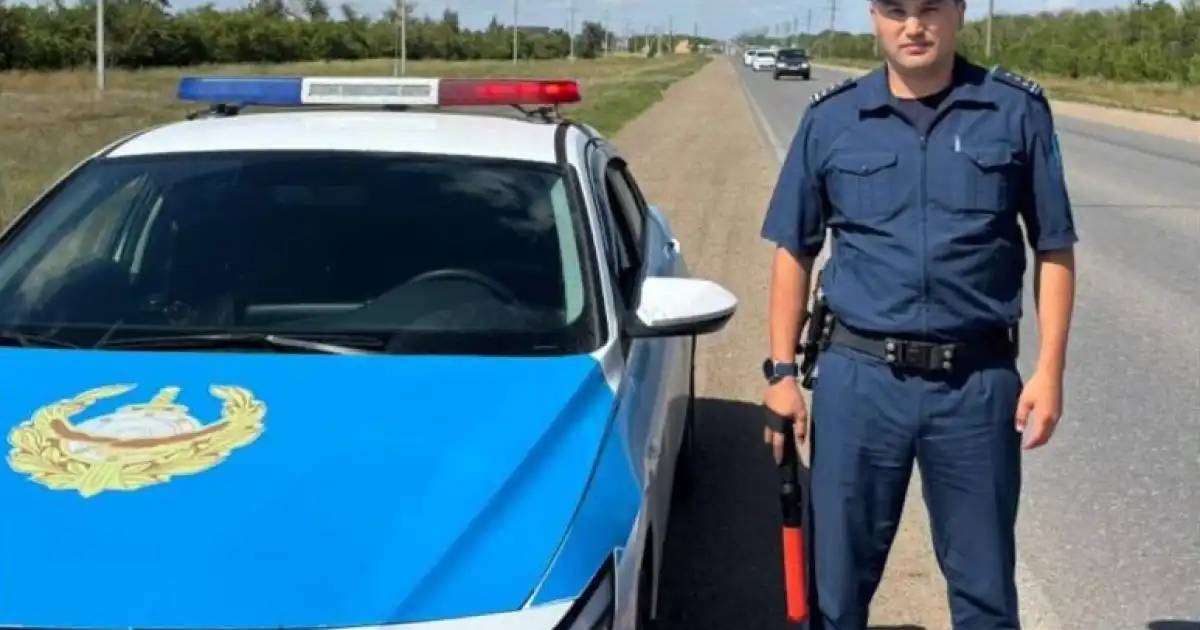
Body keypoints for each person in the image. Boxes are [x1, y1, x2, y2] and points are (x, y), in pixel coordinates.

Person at [759, 0, 1078, 627]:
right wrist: (781, 374)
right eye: (895, 10)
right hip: (860, 381)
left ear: (959, 12)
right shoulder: (833, 119)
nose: (913, 26)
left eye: (931, 8)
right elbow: (793, 252)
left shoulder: (1015, 111)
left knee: (985, 592)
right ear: (874, 16)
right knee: (836, 591)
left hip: (976, 386)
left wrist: (1050, 372)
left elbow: (1055, 246)